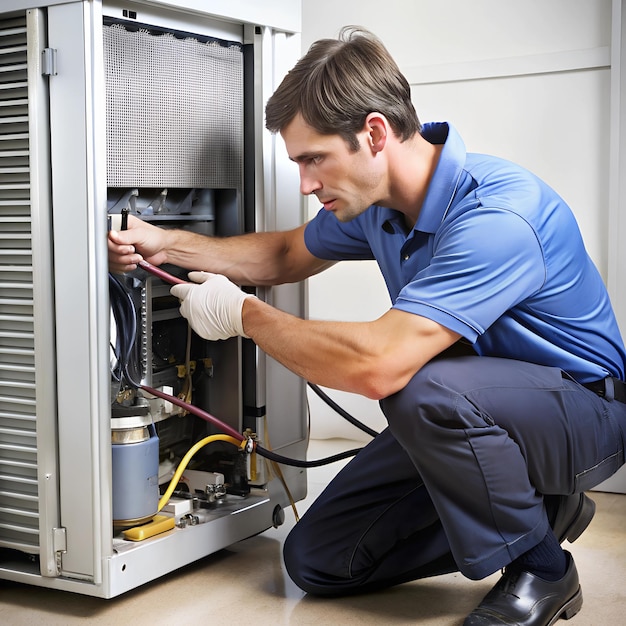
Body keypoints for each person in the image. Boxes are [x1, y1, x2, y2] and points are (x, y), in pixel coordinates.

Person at [108, 26, 626, 626]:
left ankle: (542, 566)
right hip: (475, 413)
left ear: (374, 132)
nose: (304, 183)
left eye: (313, 159)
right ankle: (540, 511)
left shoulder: (496, 217)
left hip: (581, 411)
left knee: (421, 385)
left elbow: (379, 366)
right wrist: (166, 242)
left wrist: (243, 314)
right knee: (319, 561)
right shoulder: (381, 205)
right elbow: (283, 256)